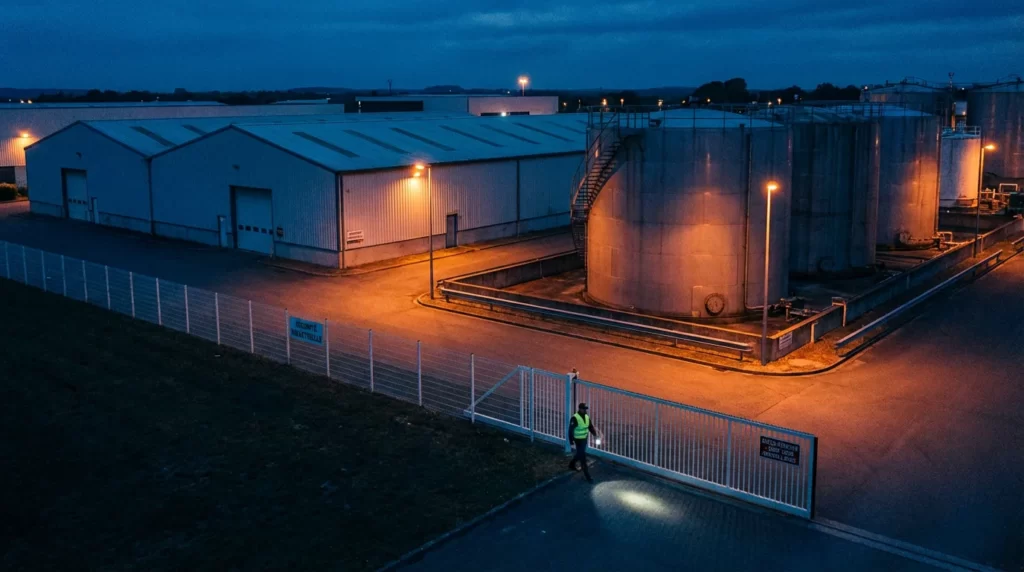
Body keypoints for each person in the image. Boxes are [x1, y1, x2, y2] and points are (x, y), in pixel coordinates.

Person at [568, 402, 597, 483]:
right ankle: (587, 475)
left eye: (586, 409)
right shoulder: (575, 418)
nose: (585, 410)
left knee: (580, 454)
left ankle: (571, 464)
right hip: (577, 440)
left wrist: (595, 435)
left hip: (584, 439)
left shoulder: (587, 417)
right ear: (580, 409)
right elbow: (570, 430)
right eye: (584, 409)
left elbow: (590, 427)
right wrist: (571, 440)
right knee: (582, 457)